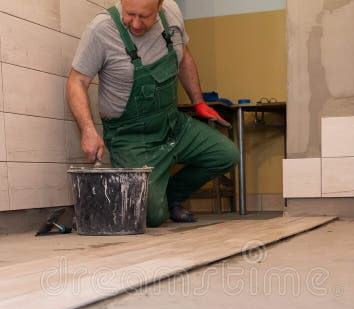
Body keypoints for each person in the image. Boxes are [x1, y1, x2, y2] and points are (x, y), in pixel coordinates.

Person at [67, 0, 239, 226]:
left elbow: (184, 55)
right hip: (132, 138)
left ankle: (171, 196)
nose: (136, 24)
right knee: (151, 216)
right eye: (130, 14)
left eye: (144, 17)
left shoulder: (172, 12)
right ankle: (157, 200)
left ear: (159, 6)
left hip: (173, 126)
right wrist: (88, 130)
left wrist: (198, 102)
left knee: (226, 154)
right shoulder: (101, 30)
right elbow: (76, 81)